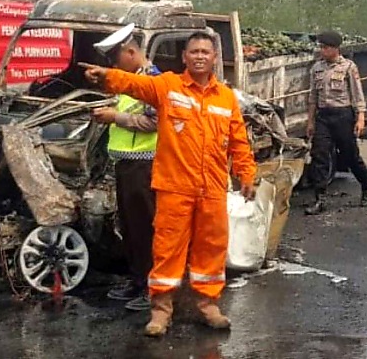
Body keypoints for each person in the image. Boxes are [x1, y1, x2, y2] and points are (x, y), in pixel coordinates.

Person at [82, 29, 257, 337]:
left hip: (212, 188)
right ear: (184, 57)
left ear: (215, 58)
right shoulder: (168, 86)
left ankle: (209, 306)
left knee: (211, 249)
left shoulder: (226, 98)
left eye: (206, 51)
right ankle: (161, 312)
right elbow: (136, 83)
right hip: (175, 186)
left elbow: (239, 141)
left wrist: (246, 173)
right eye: (194, 52)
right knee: (167, 250)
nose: (200, 56)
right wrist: (107, 75)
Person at [92, 24, 160, 312]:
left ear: (131, 53)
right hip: (126, 163)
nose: (113, 67)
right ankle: (137, 280)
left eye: (115, 60)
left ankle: (153, 287)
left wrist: (115, 118)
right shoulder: (130, 81)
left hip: (144, 164)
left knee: (145, 228)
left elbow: (154, 121)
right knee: (130, 228)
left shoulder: (153, 81)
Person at [306, 30, 367, 215]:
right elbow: (313, 96)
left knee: (350, 156)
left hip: (343, 116)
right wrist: (311, 121)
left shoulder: (348, 67)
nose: (322, 51)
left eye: (326, 47)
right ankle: (320, 198)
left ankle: (366, 187)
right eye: (321, 47)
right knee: (319, 156)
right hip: (323, 117)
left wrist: (360, 118)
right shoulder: (317, 68)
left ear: (335, 49)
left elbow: (357, 95)